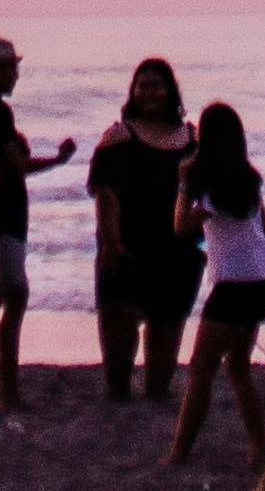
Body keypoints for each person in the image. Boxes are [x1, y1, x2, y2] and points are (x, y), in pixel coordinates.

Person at [0, 35, 76, 411]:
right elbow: (16, 165)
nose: (16, 77)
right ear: (0, 71)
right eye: (13, 69)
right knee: (15, 295)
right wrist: (57, 160)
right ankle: (8, 393)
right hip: (2, 215)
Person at [167, 98, 265, 470]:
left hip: (232, 283)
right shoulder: (249, 179)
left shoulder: (206, 185)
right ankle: (260, 444)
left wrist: (183, 185)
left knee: (201, 368)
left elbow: (180, 227)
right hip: (261, 277)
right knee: (238, 368)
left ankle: (180, 451)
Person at [85, 58, 198, 403]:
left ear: (170, 91)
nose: (149, 92)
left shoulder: (191, 139)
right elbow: (106, 193)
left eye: (157, 85)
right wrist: (111, 243)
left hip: (176, 252)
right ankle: (119, 399)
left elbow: (204, 196)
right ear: (133, 92)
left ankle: (155, 396)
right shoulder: (119, 136)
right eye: (143, 85)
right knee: (119, 358)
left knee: (163, 362)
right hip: (128, 249)